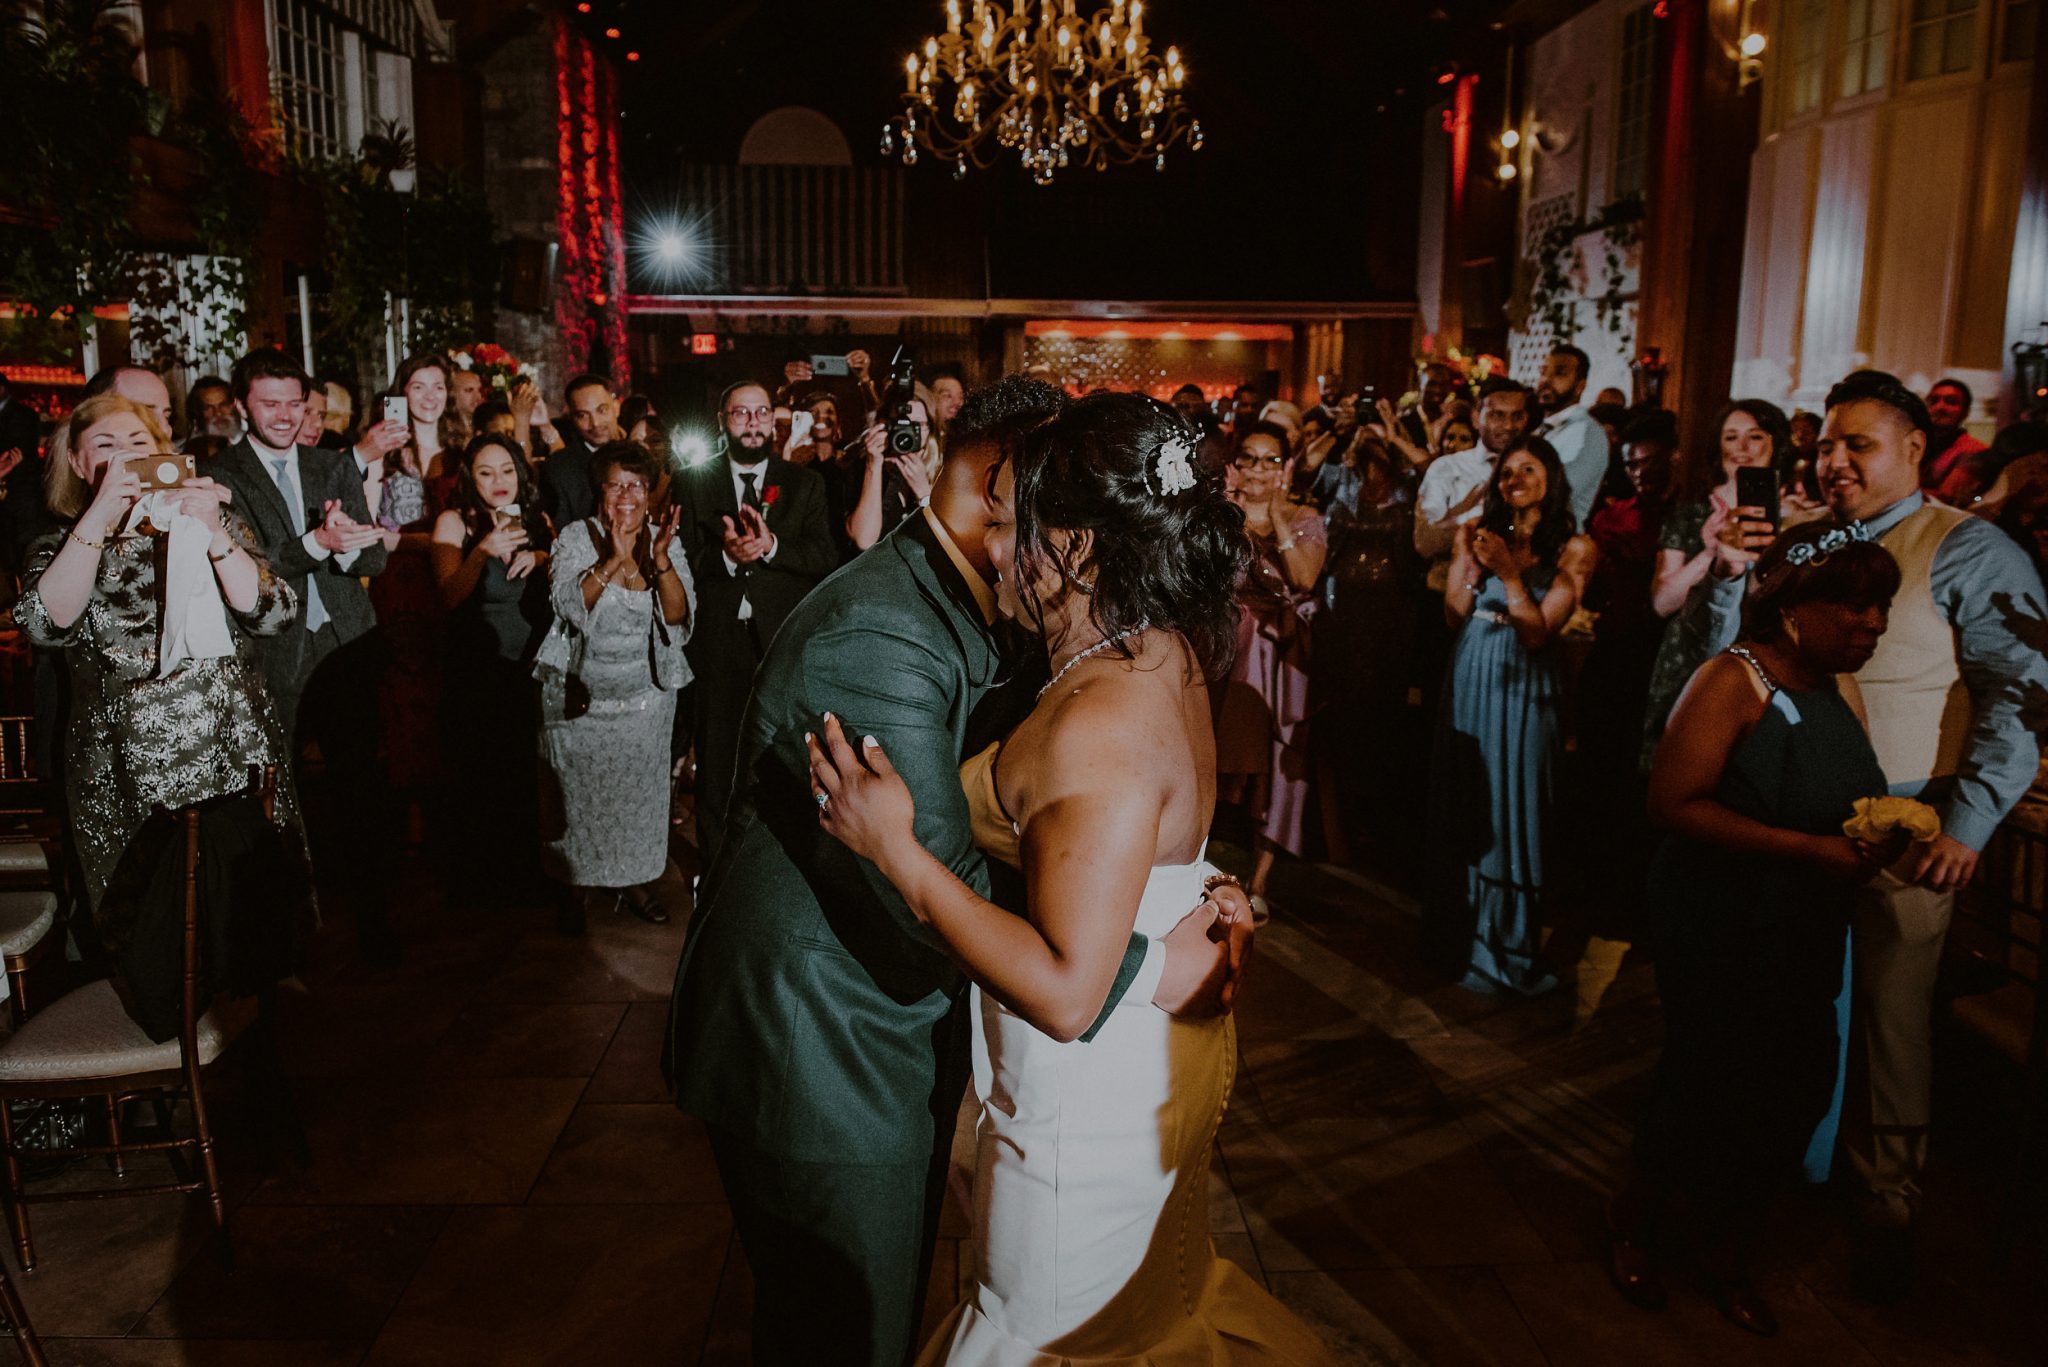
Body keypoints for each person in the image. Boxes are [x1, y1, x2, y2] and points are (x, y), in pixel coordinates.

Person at [666, 379, 1260, 1367]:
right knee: (847, 1332)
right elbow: (934, 864)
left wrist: (1178, 884)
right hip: (826, 1043)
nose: (1003, 545)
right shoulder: (880, 629)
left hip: (989, 1038)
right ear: (994, 478)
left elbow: (1100, 800)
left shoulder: (1091, 640)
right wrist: (1151, 963)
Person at [804, 392, 1333, 1365]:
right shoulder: (1158, 650)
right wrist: (1212, 895)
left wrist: (896, 852)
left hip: (1086, 1094)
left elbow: (1064, 989)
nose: (996, 548)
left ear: (1079, 545)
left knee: (1056, 1327)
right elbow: (1144, 839)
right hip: (1137, 1054)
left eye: (1011, 525)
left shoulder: (1102, 713)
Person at [1608, 521, 1898, 1336]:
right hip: (1721, 916)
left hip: (1804, 923)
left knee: (1794, 1083)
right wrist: (1808, 847)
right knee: (1706, 1074)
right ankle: (1638, 1218)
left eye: (1880, 608)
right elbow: (1673, 803)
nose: (1872, 624)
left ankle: (1727, 1241)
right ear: (1795, 606)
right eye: (1855, 606)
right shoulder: (1733, 679)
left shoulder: (1837, 684)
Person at [1804, 371, 2048, 1300]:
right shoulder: (1818, 538)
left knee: (1892, 1023)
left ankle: (1888, 1208)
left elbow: (2016, 692)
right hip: (1804, 815)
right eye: (1826, 444)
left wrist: (1970, 819)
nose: (1834, 461)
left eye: (1856, 443)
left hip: (1912, 815)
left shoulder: (1965, 547)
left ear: (1914, 448)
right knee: (1807, 1000)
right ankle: (1808, 1166)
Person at [15, 394, 310, 1032]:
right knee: (154, 944)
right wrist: (100, 514)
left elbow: (274, 613)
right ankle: (170, 1081)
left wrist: (211, 534)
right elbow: (46, 622)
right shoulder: (61, 543)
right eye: (106, 447)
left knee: (250, 931)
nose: (126, 457)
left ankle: (256, 1071)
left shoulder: (208, 526)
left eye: (139, 444)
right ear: (76, 461)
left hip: (231, 752)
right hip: (125, 773)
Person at [207, 348, 397, 963]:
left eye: (295, 403)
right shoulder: (220, 475)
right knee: (276, 799)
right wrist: (317, 541)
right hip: (272, 652)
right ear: (243, 407)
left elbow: (373, 559)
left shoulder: (333, 468)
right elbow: (252, 565)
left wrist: (344, 547)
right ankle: (286, 941)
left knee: (361, 791)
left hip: (344, 646)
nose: (285, 416)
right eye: (270, 404)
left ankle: (375, 926)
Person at [1425, 436, 1595, 994]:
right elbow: (1453, 615)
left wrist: (1511, 574)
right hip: (1472, 669)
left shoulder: (1574, 549)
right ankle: (1460, 939)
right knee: (1466, 798)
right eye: (1506, 470)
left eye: (1529, 468)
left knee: (1512, 807)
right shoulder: (1477, 535)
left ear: (1551, 477)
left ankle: (1509, 947)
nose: (1514, 477)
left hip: (1524, 685)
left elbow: (1540, 630)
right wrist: (1469, 563)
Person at [673, 380, 837, 859]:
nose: (752, 422)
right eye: (741, 413)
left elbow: (825, 556)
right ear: (723, 420)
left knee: (785, 759)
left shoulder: (805, 482)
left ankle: (776, 864)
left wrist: (771, 547)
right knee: (718, 760)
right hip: (719, 640)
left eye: (761, 413)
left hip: (782, 642)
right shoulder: (693, 481)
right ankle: (713, 868)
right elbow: (679, 558)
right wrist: (726, 557)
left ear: (774, 420)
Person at [535, 441, 693, 929]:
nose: (627, 494)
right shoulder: (576, 538)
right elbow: (567, 604)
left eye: (637, 484)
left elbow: (678, 615)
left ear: (650, 492)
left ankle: (637, 882)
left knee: (636, 804)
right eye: (616, 484)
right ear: (598, 491)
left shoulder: (663, 538)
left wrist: (660, 560)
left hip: (644, 700)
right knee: (577, 801)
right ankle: (572, 887)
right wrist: (613, 560)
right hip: (580, 699)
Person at [1566, 408, 1677, 1023]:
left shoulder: (1685, 514)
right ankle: (1604, 895)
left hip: (1665, 656)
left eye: (1648, 461)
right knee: (1609, 776)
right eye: (1629, 463)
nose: (1638, 471)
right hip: (1618, 654)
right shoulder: (1612, 515)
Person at [432, 433, 553, 906]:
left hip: (531, 665)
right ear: (469, 478)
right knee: (482, 778)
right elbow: (448, 595)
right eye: (485, 472)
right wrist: (482, 550)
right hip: (477, 670)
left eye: (506, 470)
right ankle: (483, 888)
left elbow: (565, 580)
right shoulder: (453, 522)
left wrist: (542, 556)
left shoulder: (538, 519)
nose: (498, 481)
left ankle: (530, 880)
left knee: (528, 777)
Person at [1214, 420, 1327, 916]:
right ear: (1236, 464)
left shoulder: (1306, 517)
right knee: (1209, 754)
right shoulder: (1217, 515)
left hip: (1276, 653)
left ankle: (1259, 882)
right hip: (1221, 644)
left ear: (1285, 467)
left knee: (1278, 769)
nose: (1260, 469)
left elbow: (1303, 575)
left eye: (1271, 460)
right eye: (1251, 458)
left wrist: (1278, 519)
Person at [1638, 399, 1790, 770]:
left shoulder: (1797, 516)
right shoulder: (1691, 514)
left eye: (1755, 436)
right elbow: (1661, 602)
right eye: (1731, 437)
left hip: (1766, 653)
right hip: (1692, 651)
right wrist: (1709, 552)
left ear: (1776, 445)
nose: (1742, 448)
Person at [1312, 425, 1417, 868]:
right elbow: (1304, 470)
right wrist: (1339, 427)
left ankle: (1373, 816)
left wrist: (1395, 433)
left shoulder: (1407, 485)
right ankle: (1339, 821)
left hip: (1388, 608)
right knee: (1342, 708)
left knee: (1378, 712)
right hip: (1342, 605)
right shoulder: (1339, 476)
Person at [843, 388, 939, 553]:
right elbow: (864, 541)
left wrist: (925, 495)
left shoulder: (943, 471)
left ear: (929, 429)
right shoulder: (861, 469)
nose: (907, 433)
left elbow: (949, 546)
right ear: (883, 425)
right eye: (902, 423)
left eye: (918, 425)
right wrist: (873, 466)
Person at [1533, 343, 1611, 528]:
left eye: (1559, 373)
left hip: (1559, 539)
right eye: (1544, 372)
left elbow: (1559, 492)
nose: (1546, 380)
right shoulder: (1540, 430)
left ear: (1580, 386)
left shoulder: (1589, 432)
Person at [538, 373, 619, 530]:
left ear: (616, 408)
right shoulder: (559, 468)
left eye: (602, 410)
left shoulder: (637, 456)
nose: (595, 423)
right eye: (582, 415)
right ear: (572, 419)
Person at [1920, 377, 1991, 505]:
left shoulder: (1975, 451)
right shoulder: (1921, 444)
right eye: (1933, 401)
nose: (1940, 407)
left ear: (1965, 412)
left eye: (1951, 402)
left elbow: (1947, 498)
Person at [187, 375, 240, 442]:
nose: (218, 413)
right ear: (196, 412)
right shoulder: (183, 450)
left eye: (223, 405)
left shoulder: (253, 441)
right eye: (208, 408)